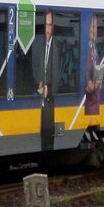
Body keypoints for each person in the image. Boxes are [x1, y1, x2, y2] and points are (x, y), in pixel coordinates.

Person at [32, 10, 59, 152]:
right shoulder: (38, 44)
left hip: (50, 98)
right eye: (46, 25)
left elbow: (57, 73)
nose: (48, 29)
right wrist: (39, 82)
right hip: (38, 92)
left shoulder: (55, 47)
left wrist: (50, 88)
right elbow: (34, 67)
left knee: (48, 126)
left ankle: (47, 146)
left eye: (50, 25)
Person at [84, 18, 102, 117]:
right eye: (92, 27)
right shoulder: (86, 48)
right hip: (89, 99)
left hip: (95, 96)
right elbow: (85, 68)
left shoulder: (95, 48)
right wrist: (88, 83)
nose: (94, 31)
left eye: (96, 27)